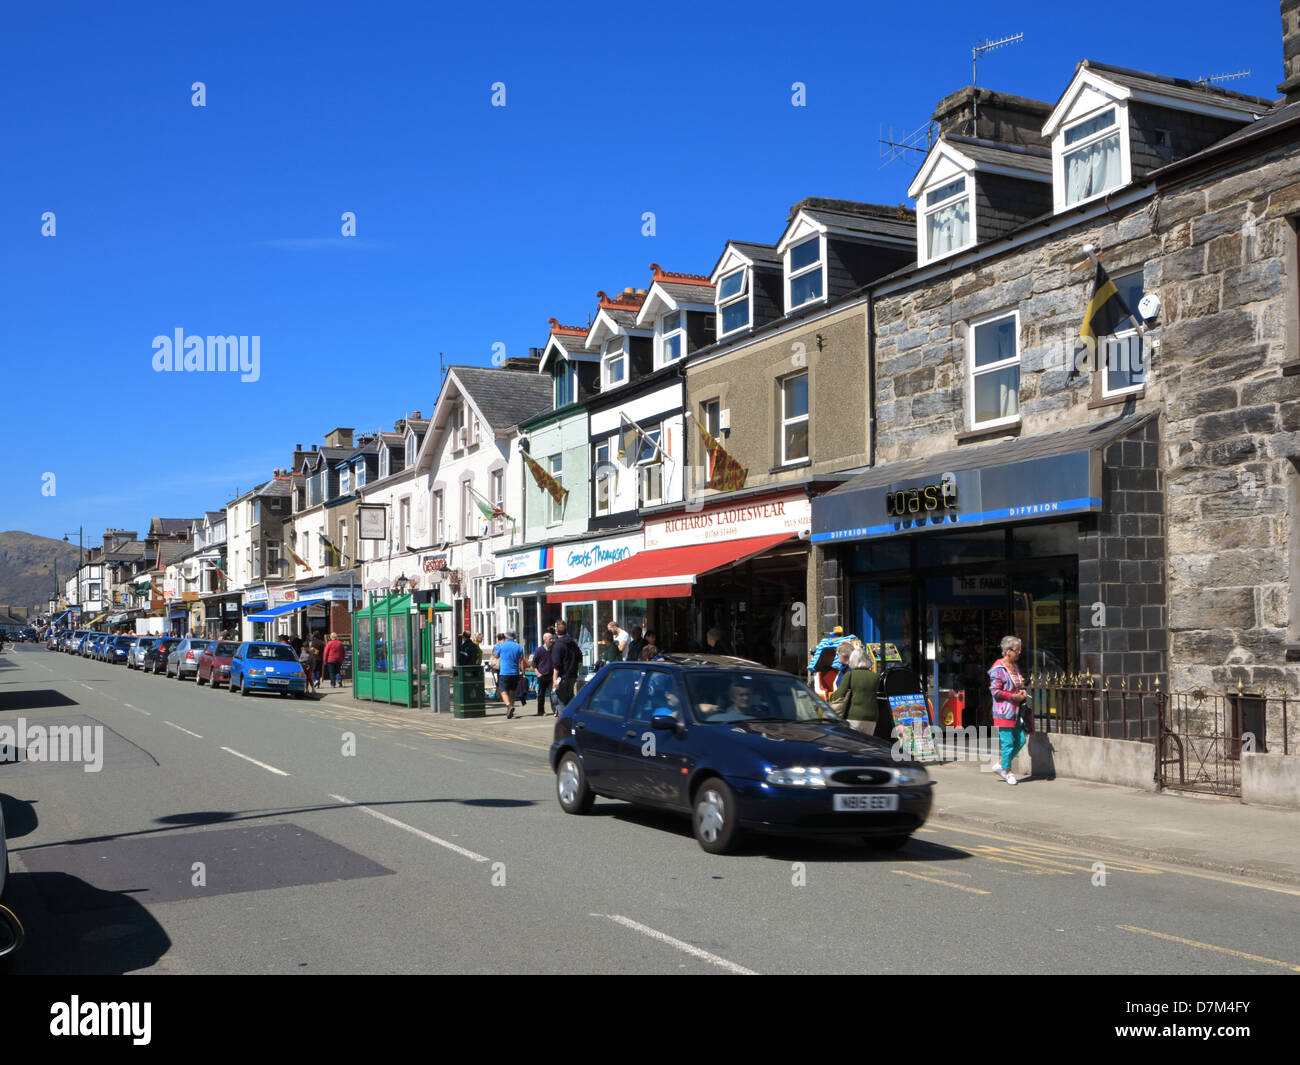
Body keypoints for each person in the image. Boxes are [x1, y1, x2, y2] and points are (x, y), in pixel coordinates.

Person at [989, 635, 1030, 785]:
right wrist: (1013, 696)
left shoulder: (1014, 666)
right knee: (1008, 743)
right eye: (1017, 650)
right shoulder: (998, 669)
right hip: (1003, 712)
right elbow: (995, 691)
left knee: (1021, 740)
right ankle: (1007, 771)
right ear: (1008, 651)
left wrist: (1022, 691)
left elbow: (1017, 685)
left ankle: (1001, 764)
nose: (1019, 652)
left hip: (1016, 711)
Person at [831, 646, 880, 733]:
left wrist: (831, 696)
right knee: (867, 741)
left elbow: (839, 695)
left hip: (853, 717)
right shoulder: (875, 676)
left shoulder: (850, 675)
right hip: (872, 717)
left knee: (853, 741)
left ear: (852, 660)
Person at [493, 629, 526, 719]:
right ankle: (510, 709)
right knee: (512, 692)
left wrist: (497, 646)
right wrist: (523, 673)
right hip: (515, 672)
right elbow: (521, 661)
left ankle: (509, 705)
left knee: (503, 691)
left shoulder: (501, 645)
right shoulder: (519, 647)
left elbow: (495, 656)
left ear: (506, 636)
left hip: (504, 672)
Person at [551, 619, 581, 710]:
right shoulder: (573, 643)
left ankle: (564, 718)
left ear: (556, 631)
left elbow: (556, 665)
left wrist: (554, 680)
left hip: (562, 677)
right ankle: (569, 717)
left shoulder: (558, 645)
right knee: (569, 700)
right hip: (572, 676)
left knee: (558, 700)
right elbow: (579, 658)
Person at [530, 632, 555, 716]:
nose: (552, 640)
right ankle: (540, 711)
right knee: (541, 694)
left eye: (552, 638)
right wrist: (537, 673)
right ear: (545, 640)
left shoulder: (554, 649)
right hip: (542, 675)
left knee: (553, 694)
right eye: (550, 639)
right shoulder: (539, 650)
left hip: (551, 676)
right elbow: (534, 663)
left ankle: (555, 710)